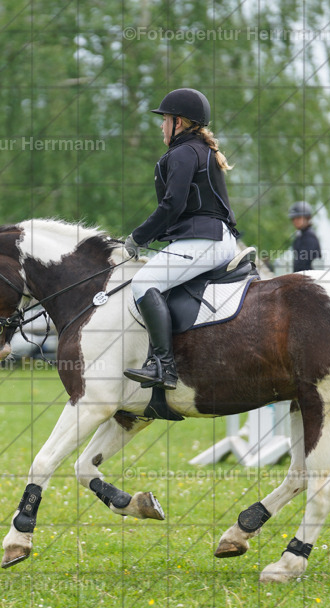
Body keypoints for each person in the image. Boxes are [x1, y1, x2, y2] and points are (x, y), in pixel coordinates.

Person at [123, 87, 239, 390]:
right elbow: (185, 210)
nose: (161, 126)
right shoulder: (198, 150)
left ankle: (163, 366)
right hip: (209, 237)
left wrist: (138, 236)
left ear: (180, 122)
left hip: (206, 240)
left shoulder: (184, 152)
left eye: (165, 120)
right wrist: (152, 236)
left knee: (143, 283)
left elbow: (172, 204)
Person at [289, 201, 321, 272]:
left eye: (298, 218)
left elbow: (302, 264)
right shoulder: (300, 236)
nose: (295, 221)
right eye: (293, 218)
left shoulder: (309, 237)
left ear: (307, 218)